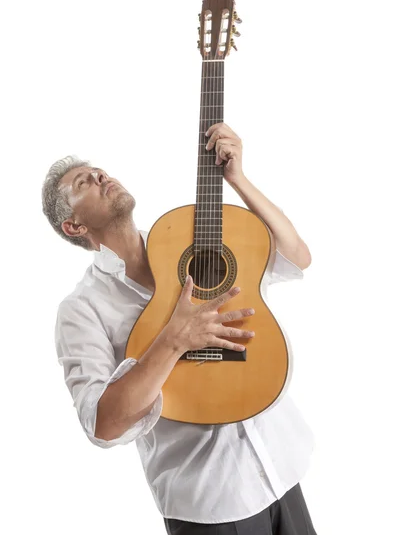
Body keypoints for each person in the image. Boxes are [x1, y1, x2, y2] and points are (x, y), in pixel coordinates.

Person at [42, 123, 317, 534]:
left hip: (281, 465)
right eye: (84, 181)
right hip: (209, 503)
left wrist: (239, 180)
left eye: (99, 170)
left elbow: (297, 258)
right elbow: (102, 424)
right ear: (74, 226)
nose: (100, 176)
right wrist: (173, 339)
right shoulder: (81, 310)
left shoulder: (188, 240)